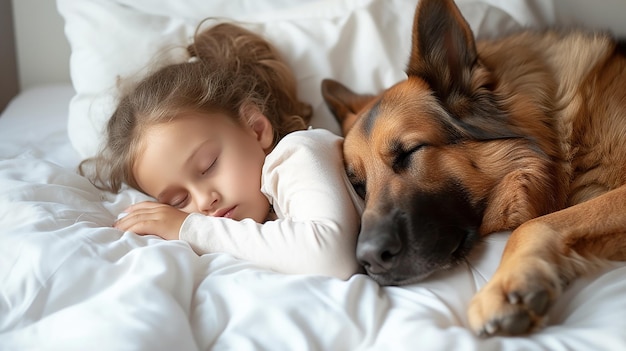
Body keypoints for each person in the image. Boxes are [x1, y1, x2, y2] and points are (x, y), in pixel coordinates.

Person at [79, 22, 363, 280]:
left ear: (256, 128)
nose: (204, 202)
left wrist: (186, 227)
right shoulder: (258, 209)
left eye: (208, 165)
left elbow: (330, 256)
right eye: (179, 200)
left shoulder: (296, 154)